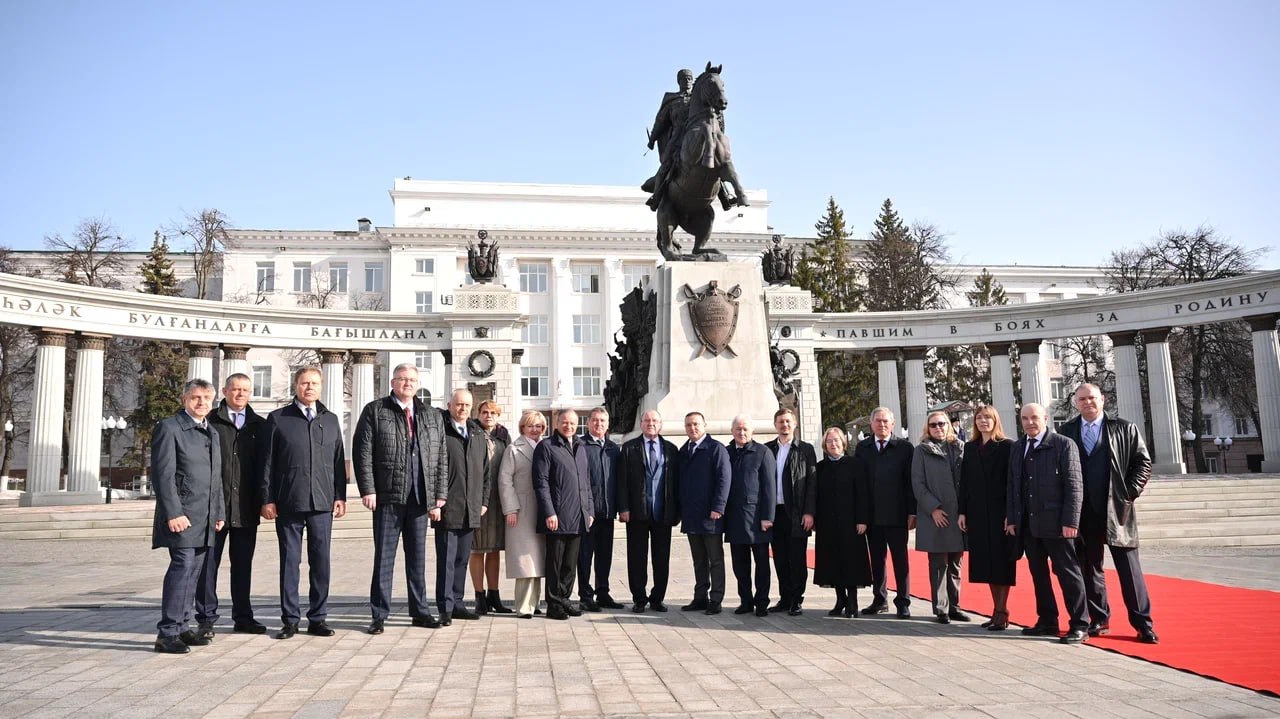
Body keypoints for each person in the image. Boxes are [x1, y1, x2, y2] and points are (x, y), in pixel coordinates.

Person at [352, 363, 449, 635]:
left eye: (412, 380)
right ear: (392, 383)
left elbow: (441, 456)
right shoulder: (375, 410)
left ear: (418, 384)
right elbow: (363, 451)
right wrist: (368, 489)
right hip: (388, 497)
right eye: (402, 379)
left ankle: (420, 611)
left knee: (417, 559)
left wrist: (439, 494)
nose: (407, 383)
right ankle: (379, 615)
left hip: (420, 498)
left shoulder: (431, 415)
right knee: (384, 559)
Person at [1058, 383, 1158, 643]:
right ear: (1076, 403)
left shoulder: (1124, 428)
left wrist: (1128, 493)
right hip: (1082, 513)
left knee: (1130, 570)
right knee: (1090, 569)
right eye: (1082, 399)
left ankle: (1143, 623)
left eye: (1091, 397)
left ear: (1102, 399)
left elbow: (1143, 463)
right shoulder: (1066, 431)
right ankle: (1099, 619)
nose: (1087, 402)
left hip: (1117, 511)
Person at [260, 367, 347, 640]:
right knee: (290, 562)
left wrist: (340, 496)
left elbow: (337, 461)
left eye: (314, 383)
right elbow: (267, 463)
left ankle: (318, 618)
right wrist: (267, 498)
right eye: (304, 383)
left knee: (321, 562)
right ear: (295, 386)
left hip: (322, 503)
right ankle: (290, 620)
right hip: (289, 502)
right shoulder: (278, 419)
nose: (309, 387)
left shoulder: (330, 420)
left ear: (321, 387)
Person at [151, 379, 225, 654]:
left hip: (205, 516)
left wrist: (218, 511)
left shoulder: (211, 432)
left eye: (206, 397)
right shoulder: (170, 428)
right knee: (182, 568)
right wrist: (173, 512)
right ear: (184, 399)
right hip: (182, 515)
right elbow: (163, 475)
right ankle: (167, 633)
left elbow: (216, 477)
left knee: (194, 572)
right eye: (195, 397)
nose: (201, 402)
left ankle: (183, 627)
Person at [1007, 402, 1090, 644]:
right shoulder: (1018, 447)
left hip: (1057, 524)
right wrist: (1012, 518)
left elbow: (1074, 485)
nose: (1029, 422)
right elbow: (1012, 485)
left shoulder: (1063, 444)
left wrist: (1071, 521)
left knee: (1068, 573)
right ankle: (1047, 621)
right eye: (1025, 418)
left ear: (1045, 419)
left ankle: (1080, 624)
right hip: (1029, 524)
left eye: (1034, 417)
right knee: (1038, 574)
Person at [198, 372, 267, 637]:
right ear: (225, 392)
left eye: (245, 390)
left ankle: (243, 617)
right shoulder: (210, 422)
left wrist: (265, 500)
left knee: (242, 566)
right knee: (208, 567)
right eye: (235, 389)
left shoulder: (259, 425)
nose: (240, 394)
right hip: (214, 508)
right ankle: (206, 619)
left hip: (246, 507)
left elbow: (265, 467)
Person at [957, 405, 1017, 631]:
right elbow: (964, 482)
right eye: (979, 417)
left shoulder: (1007, 446)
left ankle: (1002, 611)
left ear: (995, 420)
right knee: (986, 564)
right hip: (977, 514)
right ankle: (996, 610)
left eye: (987, 417)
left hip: (1000, 514)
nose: (983, 421)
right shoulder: (970, 447)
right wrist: (962, 511)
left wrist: (1011, 513)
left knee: (1001, 562)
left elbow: (1012, 482)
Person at [532, 409, 595, 620]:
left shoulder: (581, 447)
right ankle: (553, 603)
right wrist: (549, 512)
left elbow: (586, 482)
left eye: (572, 423)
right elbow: (540, 483)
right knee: (555, 562)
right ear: (557, 423)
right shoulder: (546, 447)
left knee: (570, 563)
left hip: (578, 515)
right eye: (564, 422)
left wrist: (589, 510)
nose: (568, 426)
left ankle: (565, 598)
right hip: (557, 516)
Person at [854, 407, 916, 618]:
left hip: (897, 515)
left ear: (893, 424)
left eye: (885, 421)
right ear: (871, 424)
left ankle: (903, 601)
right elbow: (860, 485)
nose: (881, 424)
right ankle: (879, 599)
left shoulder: (905, 448)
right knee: (877, 560)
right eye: (878, 421)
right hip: (872, 516)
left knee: (900, 560)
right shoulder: (863, 448)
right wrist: (861, 516)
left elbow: (910, 483)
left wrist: (912, 512)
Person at [437, 389, 492, 624]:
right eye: (459, 404)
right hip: (449, 507)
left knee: (461, 560)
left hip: (472, 509)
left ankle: (458, 603)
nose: (463, 409)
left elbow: (486, 472)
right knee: (447, 561)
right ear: (450, 405)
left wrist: (484, 501)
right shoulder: (441, 431)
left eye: (467, 405)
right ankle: (445, 608)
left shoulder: (477, 434)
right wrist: (436, 501)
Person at [617, 409, 680, 613]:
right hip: (637, 513)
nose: (651, 423)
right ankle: (639, 598)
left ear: (660, 424)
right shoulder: (629, 448)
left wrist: (677, 512)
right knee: (637, 558)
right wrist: (623, 508)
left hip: (663, 513)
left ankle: (657, 598)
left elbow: (677, 483)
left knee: (661, 558)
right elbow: (622, 481)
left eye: (655, 420)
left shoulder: (671, 449)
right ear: (641, 424)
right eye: (647, 420)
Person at [912, 411, 969, 624]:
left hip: (958, 514)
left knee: (956, 563)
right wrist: (933, 508)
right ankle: (941, 608)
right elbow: (917, 483)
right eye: (933, 425)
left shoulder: (960, 447)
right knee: (938, 564)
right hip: (935, 515)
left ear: (949, 425)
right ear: (928, 428)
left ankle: (955, 606)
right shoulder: (921, 450)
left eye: (942, 424)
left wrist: (965, 510)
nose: (938, 428)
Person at [812, 427, 871, 618]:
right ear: (825, 445)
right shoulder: (820, 467)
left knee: (850, 560)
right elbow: (815, 495)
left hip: (851, 522)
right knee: (832, 560)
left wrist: (862, 519)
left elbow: (862, 494)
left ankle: (852, 600)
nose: (833, 444)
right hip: (827, 522)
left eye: (836, 440)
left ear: (843, 443)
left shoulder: (855, 464)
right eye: (829, 441)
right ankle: (840, 599)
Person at [677, 411, 731, 615]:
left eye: (696, 424)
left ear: (704, 425)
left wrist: (718, 507)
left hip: (711, 516)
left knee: (715, 559)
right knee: (698, 559)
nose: (692, 428)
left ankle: (716, 599)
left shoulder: (716, 448)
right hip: (691, 515)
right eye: (688, 425)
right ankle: (700, 597)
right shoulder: (684, 451)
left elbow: (724, 479)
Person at [764, 408, 816, 616]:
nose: (784, 425)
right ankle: (785, 598)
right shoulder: (768, 449)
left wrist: (809, 512)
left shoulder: (805, 449)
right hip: (774, 512)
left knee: (796, 559)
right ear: (775, 425)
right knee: (779, 558)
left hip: (796, 512)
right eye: (780, 422)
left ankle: (796, 599)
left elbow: (812, 483)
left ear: (795, 424)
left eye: (788, 421)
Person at [498, 410, 549, 618]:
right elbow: (504, 480)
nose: (534, 429)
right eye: (530, 425)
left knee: (537, 559)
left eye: (538, 426)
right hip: (522, 510)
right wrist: (510, 508)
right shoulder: (514, 449)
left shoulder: (545, 446)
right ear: (522, 427)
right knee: (525, 559)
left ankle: (534, 602)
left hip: (542, 509)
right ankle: (524, 605)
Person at [724, 416, 776, 617]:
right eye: (738, 429)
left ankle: (762, 602)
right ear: (732, 431)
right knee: (740, 564)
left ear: (752, 431)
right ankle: (745, 601)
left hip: (757, 519)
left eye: (745, 429)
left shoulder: (763, 452)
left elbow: (769, 488)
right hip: (734, 518)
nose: (742, 432)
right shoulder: (727, 452)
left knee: (761, 564)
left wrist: (768, 517)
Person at [468, 399, 511, 615]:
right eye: (485, 412)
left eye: (493, 412)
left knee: (494, 550)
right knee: (477, 550)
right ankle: (479, 596)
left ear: (498, 415)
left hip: (498, 500)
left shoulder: (503, 436)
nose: (488, 416)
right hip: (478, 499)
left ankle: (494, 595)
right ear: (479, 413)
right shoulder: (472, 432)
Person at [578, 407, 622, 611]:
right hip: (588, 512)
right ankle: (585, 595)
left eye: (603, 421)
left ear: (608, 424)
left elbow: (619, 480)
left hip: (607, 511)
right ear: (588, 423)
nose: (599, 424)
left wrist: (620, 507)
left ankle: (603, 592)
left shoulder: (613, 448)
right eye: (595, 420)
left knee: (605, 556)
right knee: (585, 556)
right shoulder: (580, 445)